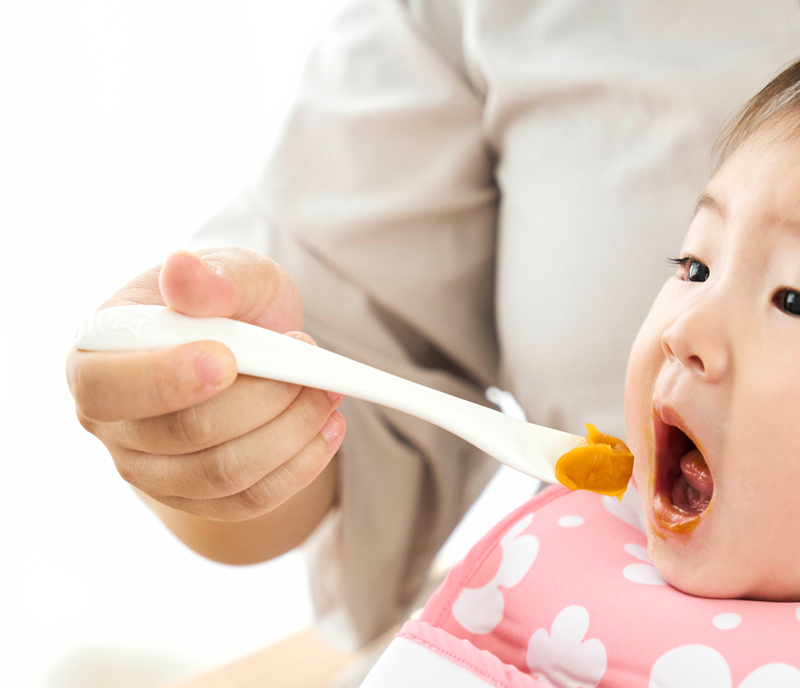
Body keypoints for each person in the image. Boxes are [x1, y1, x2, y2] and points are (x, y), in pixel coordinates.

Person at [65, 0, 800, 649]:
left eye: (792, 298)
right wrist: (205, 400)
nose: (684, 331)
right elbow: (323, 396)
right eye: (694, 267)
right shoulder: (545, 584)